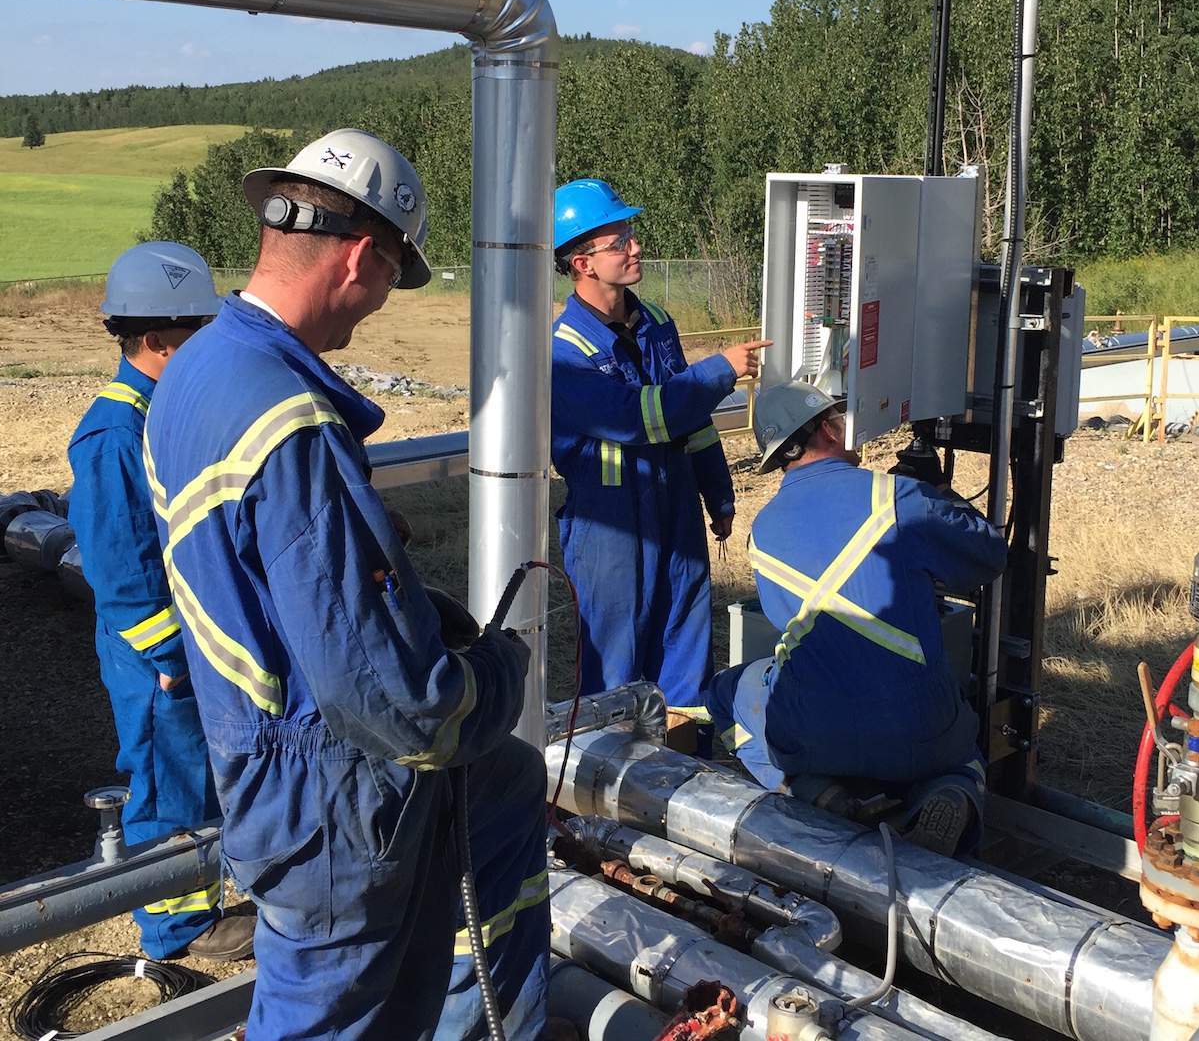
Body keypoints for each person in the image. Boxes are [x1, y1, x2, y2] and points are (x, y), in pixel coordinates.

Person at [143, 129, 547, 1039]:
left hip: (273, 763)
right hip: (331, 799)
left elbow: (258, 566)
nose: (374, 312)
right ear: (362, 256)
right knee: (332, 1019)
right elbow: (400, 705)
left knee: (507, 785)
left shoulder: (201, 369)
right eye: (389, 282)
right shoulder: (289, 420)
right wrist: (499, 675)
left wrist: (375, 568)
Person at [707, 381, 1008, 855]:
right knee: (962, 754)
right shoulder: (897, 499)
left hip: (813, 732)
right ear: (828, 428)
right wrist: (939, 492)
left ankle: (813, 792)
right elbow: (990, 556)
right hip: (918, 730)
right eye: (841, 418)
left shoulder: (761, 529)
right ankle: (952, 793)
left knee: (726, 694)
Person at [66, 242, 256, 962]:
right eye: (194, 338)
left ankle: (200, 892)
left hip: (186, 643)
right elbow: (122, 571)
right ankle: (178, 926)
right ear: (154, 341)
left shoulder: (159, 411)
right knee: (164, 780)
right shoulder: (113, 434)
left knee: (194, 773)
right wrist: (171, 656)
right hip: (156, 655)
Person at [549, 178, 769, 717]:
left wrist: (718, 495)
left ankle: (685, 771)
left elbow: (692, 424)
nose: (635, 246)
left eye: (630, 234)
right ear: (583, 262)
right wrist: (720, 370)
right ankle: (607, 789)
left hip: (675, 512)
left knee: (687, 645)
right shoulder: (565, 351)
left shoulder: (656, 325)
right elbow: (638, 419)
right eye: (619, 240)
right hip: (610, 529)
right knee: (616, 665)